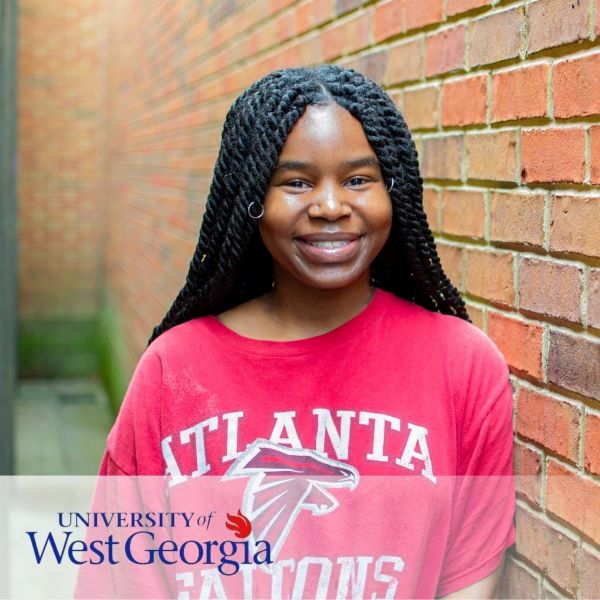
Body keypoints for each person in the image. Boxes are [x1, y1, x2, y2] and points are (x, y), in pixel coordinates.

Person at [94, 64, 516, 599]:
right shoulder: (173, 369)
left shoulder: (461, 364)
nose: (331, 207)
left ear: (396, 192)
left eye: (359, 180)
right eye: (296, 182)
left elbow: (468, 581)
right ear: (252, 198)